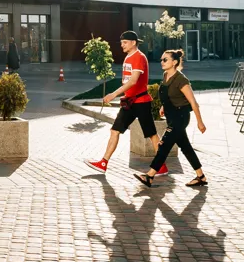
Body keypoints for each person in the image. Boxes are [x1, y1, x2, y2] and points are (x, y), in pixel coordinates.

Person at [86, 30, 160, 173]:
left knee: (152, 134)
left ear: (133, 42)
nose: (122, 45)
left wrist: (113, 94)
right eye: (121, 43)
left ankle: (161, 166)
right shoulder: (128, 57)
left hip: (141, 102)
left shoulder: (139, 57)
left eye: (125, 42)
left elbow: (133, 81)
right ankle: (103, 163)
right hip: (130, 103)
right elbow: (127, 81)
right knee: (115, 130)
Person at [135, 49, 208, 187]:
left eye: (165, 60)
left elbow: (193, 102)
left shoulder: (181, 80)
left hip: (180, 117)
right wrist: (164, 106)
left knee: (163, 145)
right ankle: (201, 176)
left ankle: (149, 176)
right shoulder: (166, 75)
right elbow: (168, 95)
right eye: (161, 59)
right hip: (172, 116)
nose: (162, 62)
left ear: (174, 62)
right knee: (186, 147)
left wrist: (200, 122)